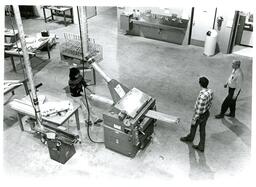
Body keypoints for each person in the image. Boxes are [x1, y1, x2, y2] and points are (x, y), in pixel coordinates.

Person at [180, 76, 214, 152]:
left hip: (200, 115)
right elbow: (210, 102)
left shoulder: (202, 96)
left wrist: (195, 118)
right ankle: (201, 146)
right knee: (202, 130)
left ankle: (190, 138)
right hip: (206, 113)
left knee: (193, 126)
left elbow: (199, 109)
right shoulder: (210, 91)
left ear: (200, 84)